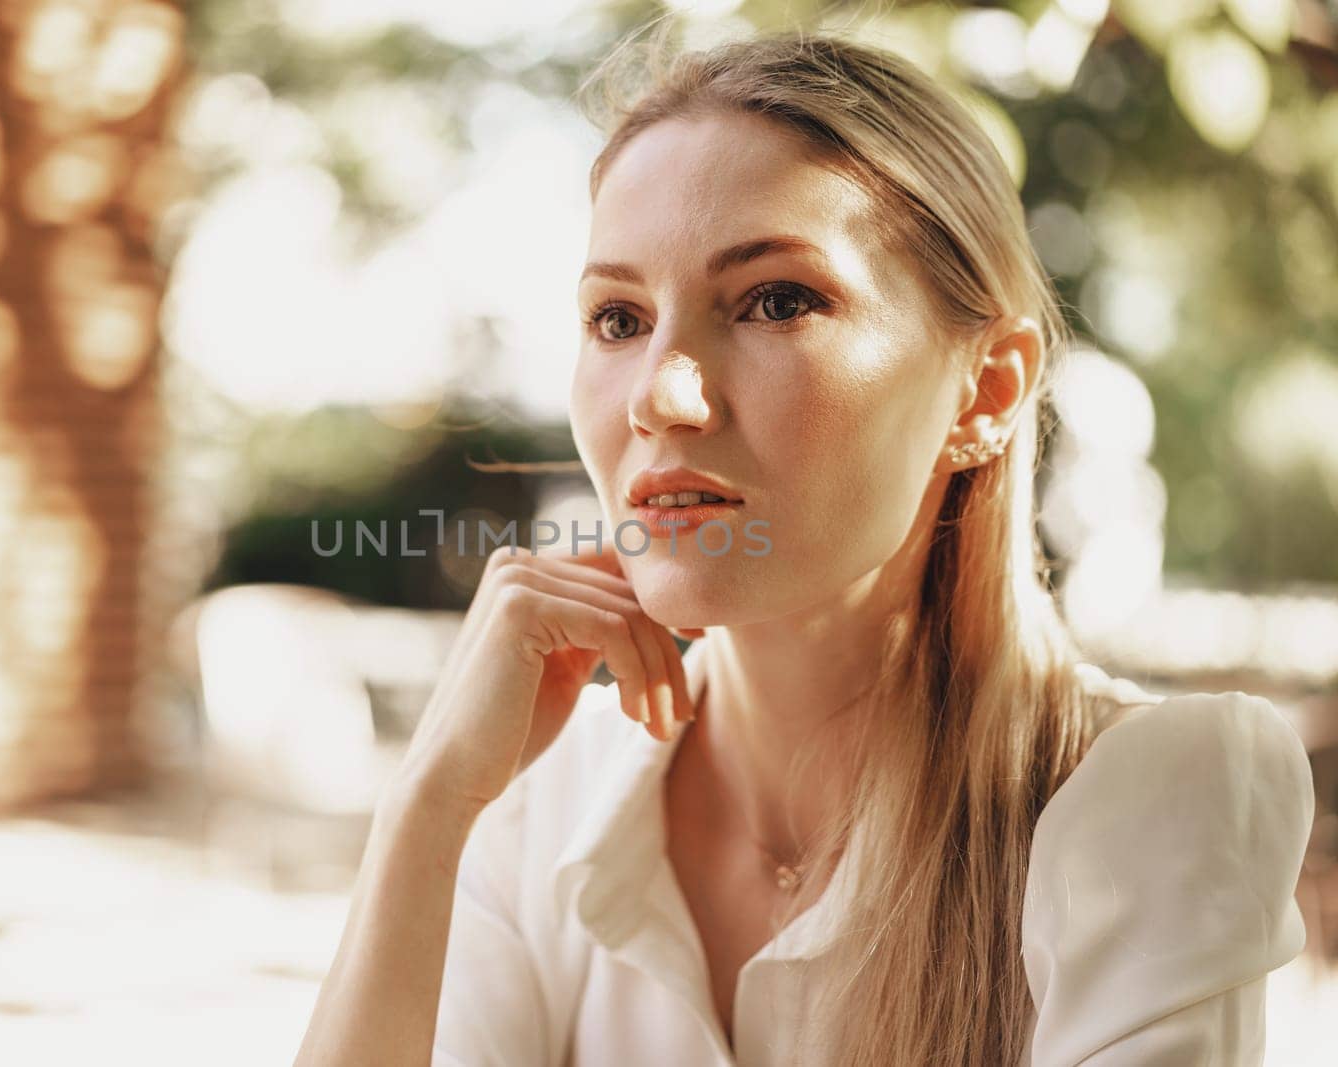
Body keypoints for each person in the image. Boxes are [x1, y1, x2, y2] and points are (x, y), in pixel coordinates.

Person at [293, 27, 1315, 1067]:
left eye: (776, 300)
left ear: (986, 390)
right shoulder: (536, 799)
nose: (661, 390)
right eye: (616, 318)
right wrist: (427, 807)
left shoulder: (1149, 794)